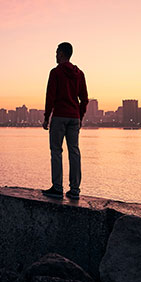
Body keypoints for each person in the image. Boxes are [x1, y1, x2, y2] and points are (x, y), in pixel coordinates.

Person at [41, 42, 88, 200]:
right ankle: (75, 190)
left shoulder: (55, 72)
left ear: (61, 53)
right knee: (74, 152)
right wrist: (79, 117)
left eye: (56, 52)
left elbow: (50, 97)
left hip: (60, 116)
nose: (55, 55)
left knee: (56, 151)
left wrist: (47, 117)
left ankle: (57, 188)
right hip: (74, 117)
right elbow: (85, 99)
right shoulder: (79, 73)